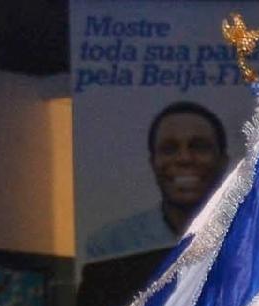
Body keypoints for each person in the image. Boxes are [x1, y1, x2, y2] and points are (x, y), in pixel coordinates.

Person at [85, 101, 231, 261]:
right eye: (169, 149)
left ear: (223, 162)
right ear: (153, 163)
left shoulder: (256, 235)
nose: (185, 158)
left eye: (199, 147)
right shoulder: (111, 246)